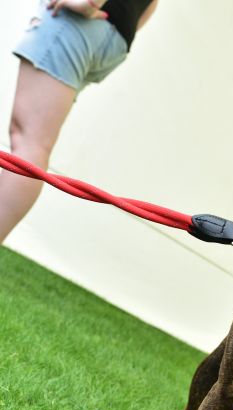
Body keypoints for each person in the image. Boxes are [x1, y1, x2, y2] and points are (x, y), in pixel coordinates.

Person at [0, 0, 158, 244]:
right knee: (32, 145)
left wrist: (88, 3)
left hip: (78, 22)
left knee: (29, 145)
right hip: (114, 36)